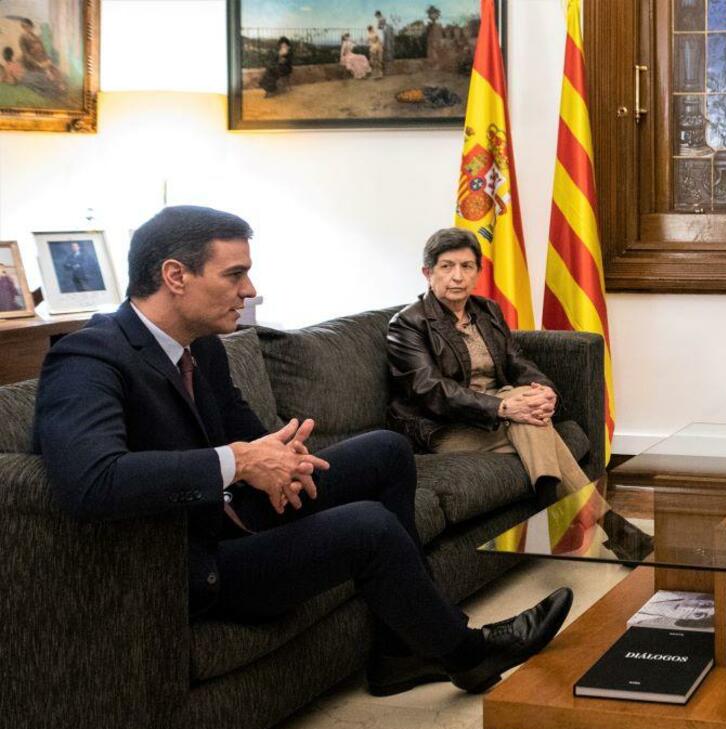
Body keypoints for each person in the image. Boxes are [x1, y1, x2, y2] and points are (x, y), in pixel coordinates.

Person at [33, 206, 573, 698]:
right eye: (234, 274)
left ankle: (400, 651)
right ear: (176, 276)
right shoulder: (88, 358)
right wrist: (240, 463)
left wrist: (284, 457)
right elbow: (92, 481)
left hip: (235, 510)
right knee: (368, 527)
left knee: (387, 450)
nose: (249, 289)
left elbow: (253, 436)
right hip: (191, 558)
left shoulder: (203, 349)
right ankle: (468, 655)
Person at [387, 227, 590, 498]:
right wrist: (504, 408)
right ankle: (582, 515)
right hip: (445, 426)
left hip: (499, 412)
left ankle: (554, 502)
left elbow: (516, 361)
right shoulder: (408, 324)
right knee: (535, 423)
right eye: (447, 266)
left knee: (528, 408)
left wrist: (544, 389)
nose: (457, 276)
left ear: (478, 273)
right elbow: (431, 390)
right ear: (428, 273)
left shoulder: (486, 311)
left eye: (467, 266)